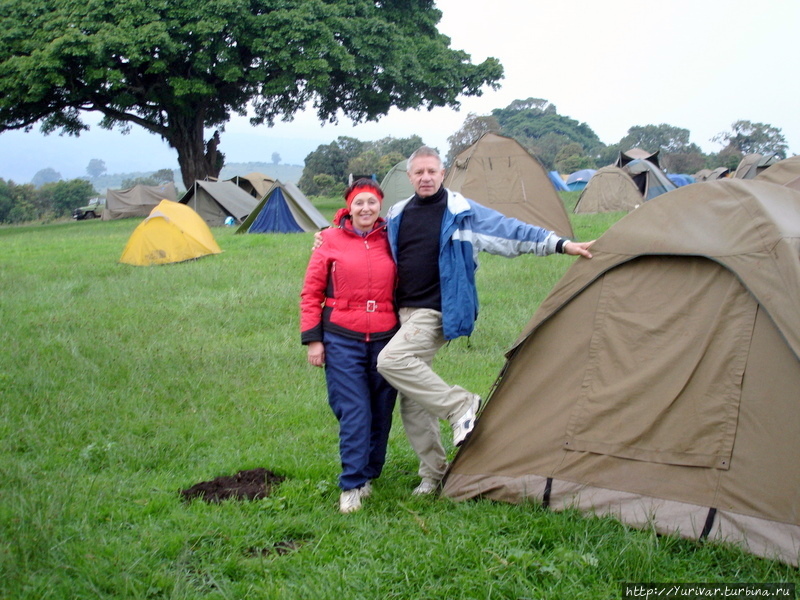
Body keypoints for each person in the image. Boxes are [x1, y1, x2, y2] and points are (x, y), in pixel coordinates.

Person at [375, 146, 595, 495]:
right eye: (419, 173)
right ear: (410, 176)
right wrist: (328, 238)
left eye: (432, 171)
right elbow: (367, 241)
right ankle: (434, 474)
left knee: (391, 360)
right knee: (414, 399)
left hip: (437, 310)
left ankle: (461, 404)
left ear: (443, 173)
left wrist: (561, 245)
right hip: (402, 313)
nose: (426, 177)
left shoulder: (461, 211)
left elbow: (511, 231)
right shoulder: (398, 214)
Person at [300, 179, 399, 513]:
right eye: (360, 203)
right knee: (354, 409)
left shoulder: (393, 238)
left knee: (381, 410)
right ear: (349, 207)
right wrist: (314, 339)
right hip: (341, 337)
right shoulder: (328, 240)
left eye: (372, 203)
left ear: (380, 206)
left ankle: (370, 473)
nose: (366, 209)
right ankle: (352, 484)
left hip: (386, 337)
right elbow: (311, 292)